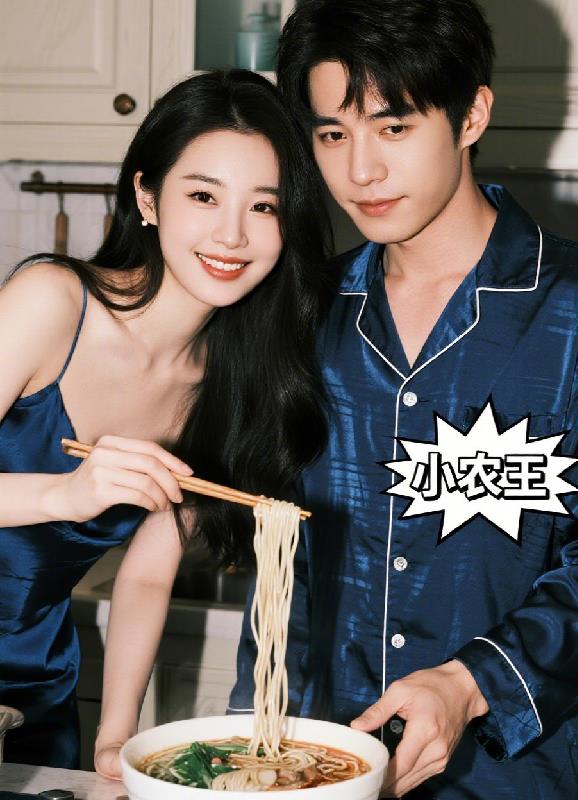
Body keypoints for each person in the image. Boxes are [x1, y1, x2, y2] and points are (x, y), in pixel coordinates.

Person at [229, 1, 578, 798]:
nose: (360, 171)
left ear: (472, 114)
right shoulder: (308, 312)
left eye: (392, 127)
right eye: (333, 135)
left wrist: (471, 682)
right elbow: (282, 562)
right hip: (324, 767)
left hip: (522, 776)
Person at [0, 69, 331, 770]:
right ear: (147, 198)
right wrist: (65, 494)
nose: (232, 235)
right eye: (203, 196)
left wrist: (116, 739)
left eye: (264, 207)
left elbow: (148, 576)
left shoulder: (230, 389)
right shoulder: (50, 303)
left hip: (34, 677)